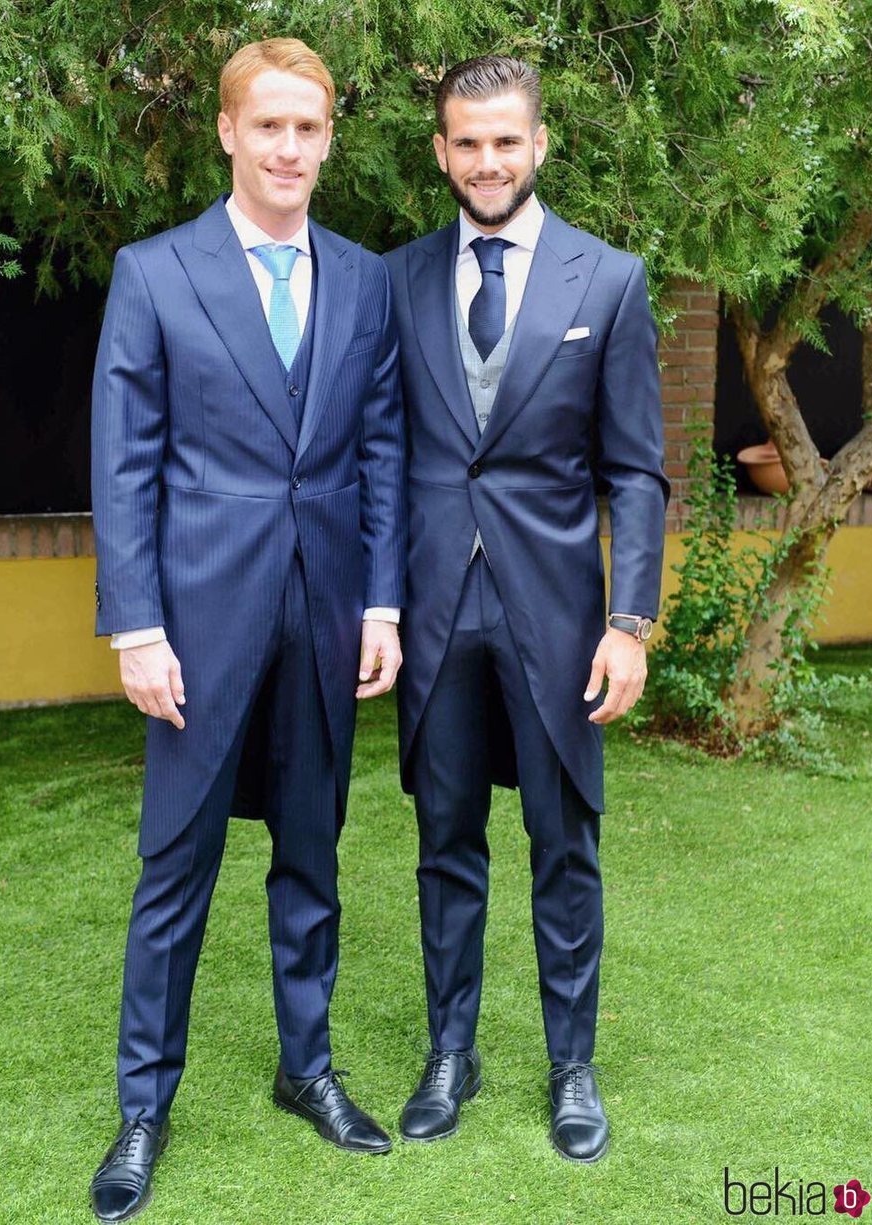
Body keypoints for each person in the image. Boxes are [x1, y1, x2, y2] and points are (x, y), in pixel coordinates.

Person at [88, 37, 406, 1222]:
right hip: (198, 621)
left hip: (325, 614)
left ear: (328, 138)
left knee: (311, 857)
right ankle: (142, 1107)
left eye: (308, 129)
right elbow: (122, 466)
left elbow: (379, 448)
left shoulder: (364, 280)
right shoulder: (154, 272)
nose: (288, 148)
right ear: (226, 131)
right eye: (266, 125)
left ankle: (306, 1067)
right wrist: (135, 627)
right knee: (175, 867)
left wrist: (379, 602)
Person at [383, 55, 668, 1163]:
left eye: (506, 140)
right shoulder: (397, 280)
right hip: (433, 616)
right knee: (445, 842)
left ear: (537, 144)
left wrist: (628, 620)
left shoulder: (607, 281)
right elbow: (384, 451)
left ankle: (571, 1066)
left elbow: (635, 472)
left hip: (557, 622)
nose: (487, 160)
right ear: (442, 150)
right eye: (467, 142)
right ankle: (449, 1051)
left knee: (564, 848)